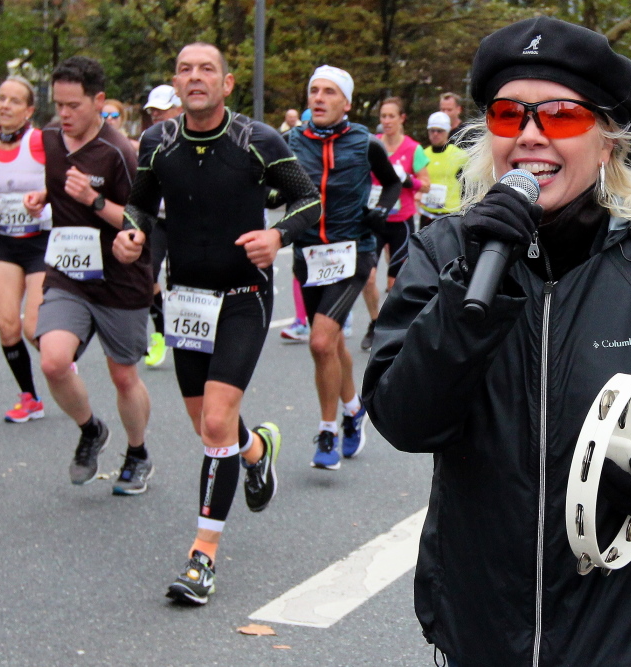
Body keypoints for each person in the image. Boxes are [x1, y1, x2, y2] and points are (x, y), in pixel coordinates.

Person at [363, 17, 631, 667]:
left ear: (607, 140)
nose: (530, 134)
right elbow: (405, 420)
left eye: (560, 114)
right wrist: (471, 290)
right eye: (509, 114)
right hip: (481, 635)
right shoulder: (445, 253)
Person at [116, 42, 321, 605]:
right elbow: (140, 205)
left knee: (214, 422)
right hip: (187, 301)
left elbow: (308, 201)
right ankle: (255, 451)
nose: (195, 77)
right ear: (176, 82)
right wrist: (132, 234)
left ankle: (201, 558)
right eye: (185, 69)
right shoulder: (157, 142)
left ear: (226, 84)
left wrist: (277, 236)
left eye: (207, 69)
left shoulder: (257, 140)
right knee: (208, 425)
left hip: (242, 296)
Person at [22, 56, 153, 495]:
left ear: (98, 101)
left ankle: (137, 453)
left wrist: (94, 201)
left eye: (73, 105)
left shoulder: (119, 152)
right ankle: (91, 429)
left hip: (121, 277)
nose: (64, 114)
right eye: (58, 104)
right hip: (69, 272)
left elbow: (140, 219)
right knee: (53, 361)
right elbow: (59, 183)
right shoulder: (51, 138)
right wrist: (43, 197)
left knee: (124, 376)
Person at [286, 65, 401, 469]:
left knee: (319, 342)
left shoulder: (364, 143)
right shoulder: (291, 141)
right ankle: (354, 410)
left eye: (329, 92)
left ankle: (327, 431)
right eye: (314, 90)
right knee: (331, 344)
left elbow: (392, 183)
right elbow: (270, 184)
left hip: (351, 253)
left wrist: (380, 211)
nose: (319, 98)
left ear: (347, 103)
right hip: (307, 255)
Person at [0, 76, 51, 423]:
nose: (5, 106)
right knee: (7, 327)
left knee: (33, 328)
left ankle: (62, 361)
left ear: (29, 110)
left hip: (40, 242)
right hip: (5, 241)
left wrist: (48, 208)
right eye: (1, 98)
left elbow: (60, 181)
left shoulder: (40, 142)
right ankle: (29, 397)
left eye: (14, 101)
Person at [360, 96, 430, 352]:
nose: (387, 121)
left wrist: (407, 180)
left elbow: (426, 184)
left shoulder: (413, 148)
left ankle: (394, 329)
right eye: (383, 116)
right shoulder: (372, 144)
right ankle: (374, 323)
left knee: (393, 284)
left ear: (402, 119)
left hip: (401, 222)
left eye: (391, 116)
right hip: (375, 220)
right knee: (367, 278)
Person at [141, 84, 184, 369]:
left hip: (187, 220)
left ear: (179, 109)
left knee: (189, 282)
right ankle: (160, 331)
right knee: (144, 277)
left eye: (162, 109)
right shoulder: (148, 139)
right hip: (157, 220)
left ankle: (200, 331)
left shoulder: (197, 135)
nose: (156, 115)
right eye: (152, 110)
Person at [419, 111, 468, 228]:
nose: (435, 134)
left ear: (447, 131)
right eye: (432, 130)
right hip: (427, 212)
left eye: (440, 131)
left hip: (450, 213)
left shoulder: (460, 155)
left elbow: (468, 184)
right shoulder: (422, 154)